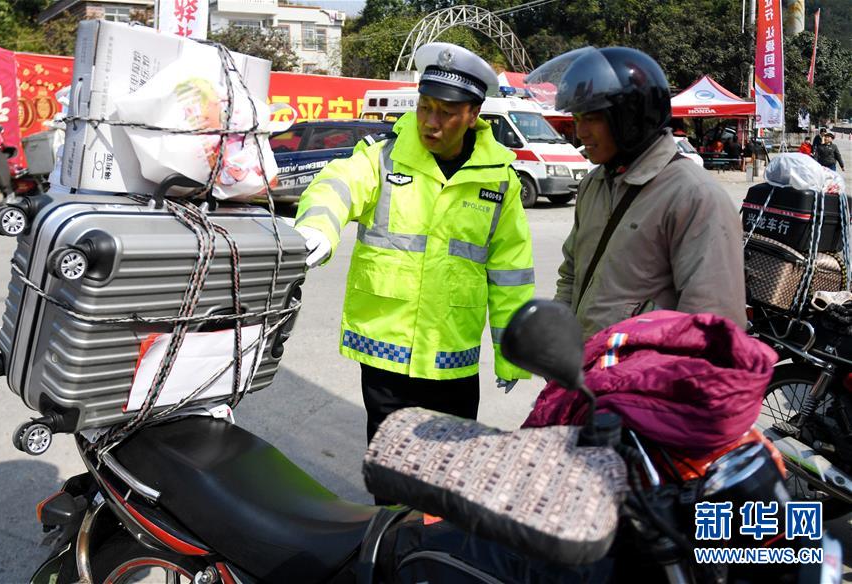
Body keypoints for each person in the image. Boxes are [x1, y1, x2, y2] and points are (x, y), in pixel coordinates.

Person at [293, 42, 535, 447]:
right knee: (392, 475)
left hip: (451, 358)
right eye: (425, 106)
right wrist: (319, 225)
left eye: (446, 112)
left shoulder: (499, 180)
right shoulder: (384, 157)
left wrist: (511, 353)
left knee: (447, 473)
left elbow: (510, 272)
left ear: (473, 115)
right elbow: (337, 184)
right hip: (387, 352)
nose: (431, 122)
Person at [528, 46, 746, 337]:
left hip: (643, 379)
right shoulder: (595, 183)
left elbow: (712, 325)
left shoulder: (694, 196)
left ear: (630, 118)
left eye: (591, 118)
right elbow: (572, 273)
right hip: (588, 373)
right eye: (576, 119)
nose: (580, 132)